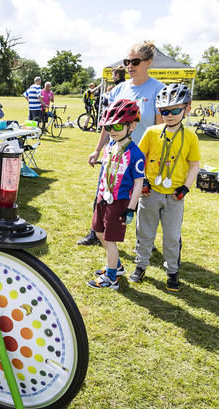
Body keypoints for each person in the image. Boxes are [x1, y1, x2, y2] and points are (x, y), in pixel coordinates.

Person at [78, 41, 164, 246]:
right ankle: (96, 233)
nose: (130, 66)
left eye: (135, 61)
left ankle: (144, 244)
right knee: (104, 192)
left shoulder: (158, 90)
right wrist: (97, 149)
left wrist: (155, 160)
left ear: (148, 62)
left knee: (141, 201)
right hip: (114, 155)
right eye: (127, 61)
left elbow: (160, 130)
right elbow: (108, 125)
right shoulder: (118, 90)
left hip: (141, 158)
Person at [129, 83, 200, 291]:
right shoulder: (151, 132)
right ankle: (140, 266)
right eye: (165, 111)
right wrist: (143, 182)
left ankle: (172, 271)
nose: (170, 115)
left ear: (186, 109)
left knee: (171, 236)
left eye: (175, 110)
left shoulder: (190, 137)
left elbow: (194, 165)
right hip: (149, 193)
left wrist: (185, 188)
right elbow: (139, 159)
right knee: (145, 233)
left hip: (175, 197)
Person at [87, 99, 145, 289]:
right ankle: (117, 266)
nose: (112, 130)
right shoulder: (109, 146)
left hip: (119, 202)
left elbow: (138, 183)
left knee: (110, 240)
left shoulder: (136, 154)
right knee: (98, 231)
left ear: (132, 126)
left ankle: (111, 278)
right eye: (109, 126)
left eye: (118, 125)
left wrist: (130, 208)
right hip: (103, 198)